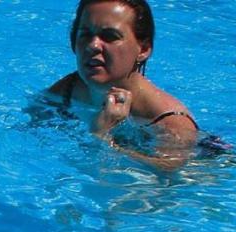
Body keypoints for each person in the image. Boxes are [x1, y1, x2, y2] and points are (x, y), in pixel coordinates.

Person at [45, 0, 199, 168]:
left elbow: (166, 177)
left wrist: (101, 136)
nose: (93, 45)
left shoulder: (171, 122)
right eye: (85, 34)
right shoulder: (66, 91)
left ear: (144, 49)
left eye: (110, 36)